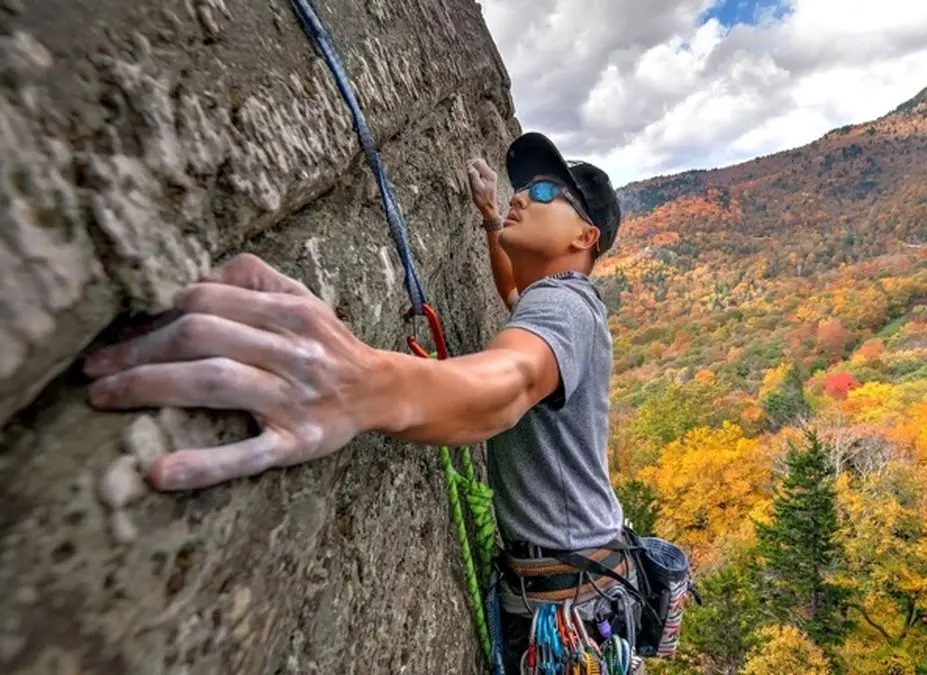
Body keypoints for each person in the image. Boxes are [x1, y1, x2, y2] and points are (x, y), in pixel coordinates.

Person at [84, 131, 637, 671]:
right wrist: (491, 217)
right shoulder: (552, 301)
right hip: (574, 583)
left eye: (544, 193)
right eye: (525, 187)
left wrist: (362, 382)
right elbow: (513, 296)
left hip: (568, 612)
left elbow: (513, 381)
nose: (523, 195)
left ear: (584, 237)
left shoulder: (565, 308)